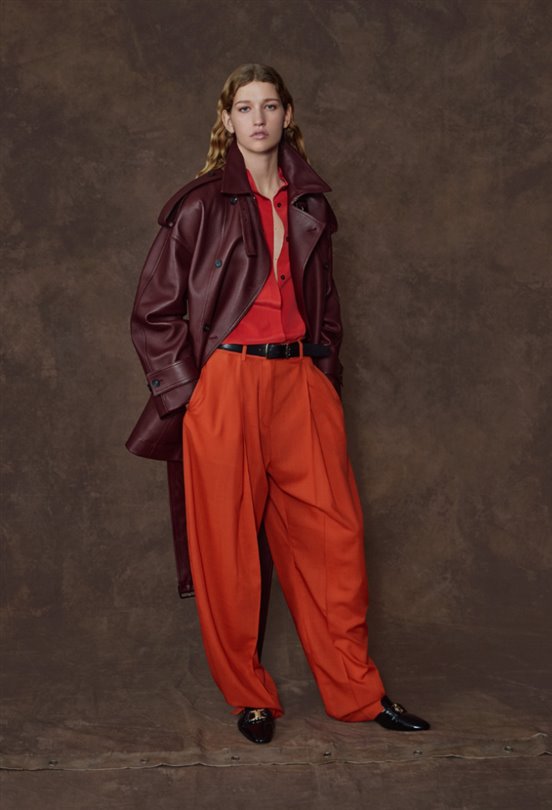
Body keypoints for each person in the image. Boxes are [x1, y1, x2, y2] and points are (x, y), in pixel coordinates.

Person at [126, 63, 430, 744]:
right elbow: (153, 312)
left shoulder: (311, 203)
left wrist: (323, 376)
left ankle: (358, 694)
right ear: (226, 120)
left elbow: (327, 306)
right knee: (228, 550)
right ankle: (251, 697)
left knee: (334, 542)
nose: (257, 119)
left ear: (287, 115)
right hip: (225, 386)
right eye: (244, 107)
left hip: (299, 382)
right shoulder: (199, 205)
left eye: (269, 106)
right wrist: (193, 395)